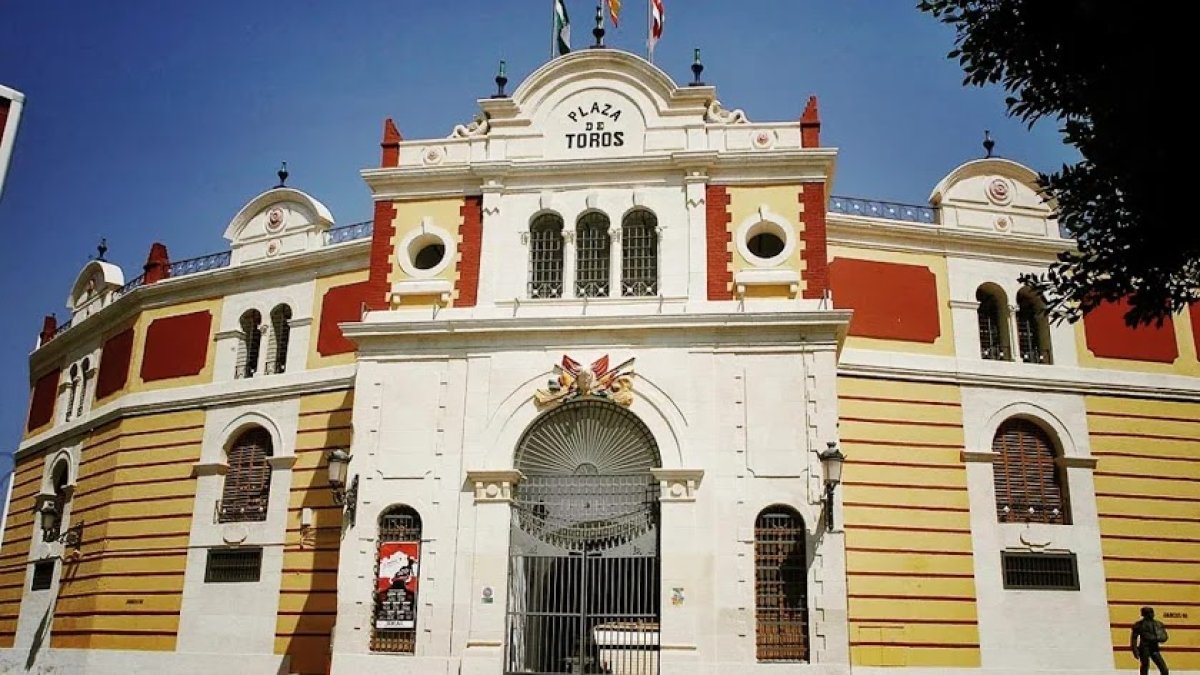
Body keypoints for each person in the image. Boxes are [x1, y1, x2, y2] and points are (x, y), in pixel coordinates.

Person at [1131, 606, 1169, 675]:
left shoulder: (1158, 624)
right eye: (1148, 613)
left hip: (1154, 648)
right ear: (1144, 614)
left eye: (1152, 612)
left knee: (1164, 668)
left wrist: (1158, 638)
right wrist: (1135, 650)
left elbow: (1164, 636)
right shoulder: (1139, 625)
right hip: (1144, 648)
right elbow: (1134, 638)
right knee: (1145, 666)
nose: (1151, 614)